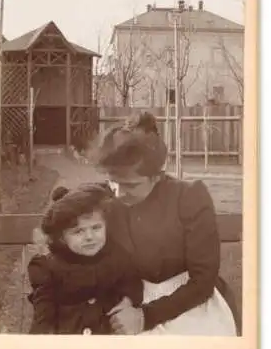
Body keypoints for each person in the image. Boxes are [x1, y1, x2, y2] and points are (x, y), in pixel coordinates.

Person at [93, 111, 239, 336]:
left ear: (156, 176)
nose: (119, 194)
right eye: (114, 183)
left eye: (131, 185)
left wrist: (145, 317)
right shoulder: (108, 201)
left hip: (191, 304)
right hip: (132, 302)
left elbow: (203, 281)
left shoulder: (189, 197)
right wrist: (125, 301)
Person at [27, 182, 143, 334]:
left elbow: (133, 284)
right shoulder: (49, 267)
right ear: (62, 237)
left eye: (96, 228)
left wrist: (128, 301)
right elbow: (43, 316)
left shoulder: (117, 257)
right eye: (78, 231)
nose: (90, 237)